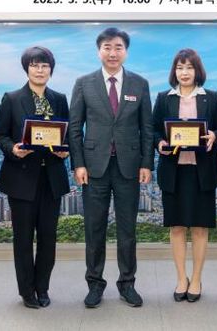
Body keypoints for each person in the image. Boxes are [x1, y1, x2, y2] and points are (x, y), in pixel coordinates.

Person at [68, 27, 154, 308]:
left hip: (129, 167)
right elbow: (74, 128)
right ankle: (94, 284)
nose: (113, 52)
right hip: (94, 168)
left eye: (118, 47)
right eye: (107, 47)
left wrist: (146, 163)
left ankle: (127, 284)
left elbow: (147, 128)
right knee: (94, 229)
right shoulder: (84, 83)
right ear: (99, 51)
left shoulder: (139, 84)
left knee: (128, 230)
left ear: (125, 51)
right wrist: (78, 164)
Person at [0, 46, 70, 309]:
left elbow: (69, 134)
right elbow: (1, 135)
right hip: (21, 178)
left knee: (48, 238)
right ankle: (27, 291)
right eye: (35, 65)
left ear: (51, 70)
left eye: (45, 65)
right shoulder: (12, 98)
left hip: (52, 178)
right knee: (23, 238)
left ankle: (43, 287)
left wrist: (66, 150)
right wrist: (13, 149)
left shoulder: (59, 99)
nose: (40, 70)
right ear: (26, 69)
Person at [152, 49, 217, 303]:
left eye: (189, 67)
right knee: (177, 226)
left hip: (201, 171)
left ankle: (196, 279)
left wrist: (215, 135)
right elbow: (154, 130)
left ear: (197, 71)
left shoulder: (211, 98)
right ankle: (181, 278)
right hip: (174, 171)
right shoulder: (164, 98)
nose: (184, 73)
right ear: (174, 71)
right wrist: (160, 143)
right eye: (180, 67)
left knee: (200, 227)